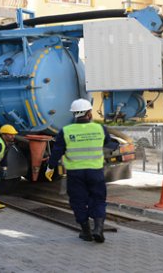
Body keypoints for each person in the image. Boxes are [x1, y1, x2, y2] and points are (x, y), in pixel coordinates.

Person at [44, 98, 119, 243]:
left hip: (75, 174)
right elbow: (109, 145)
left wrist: (50, 167)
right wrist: (115, 145)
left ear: (74, 114)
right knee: (98, 200)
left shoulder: (66, 131)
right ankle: (98, 228)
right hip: (95, 172)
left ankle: (86, 232)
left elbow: (56, 152)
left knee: (78, 201)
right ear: (89, 113)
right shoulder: (100, 128)